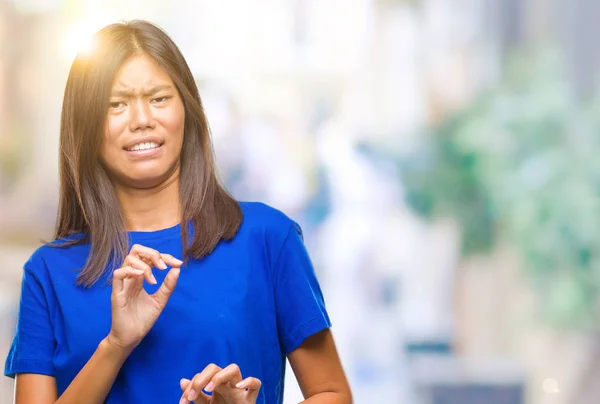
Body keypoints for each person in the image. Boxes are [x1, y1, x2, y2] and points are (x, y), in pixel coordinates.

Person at [4, 20, 352, 404]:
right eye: (115, 104)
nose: (141, 120)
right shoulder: (48, 273)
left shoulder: (268, 239)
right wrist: (116, 345)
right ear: (85, 125)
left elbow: (333, 393)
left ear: (186, 108)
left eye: (158, 98)